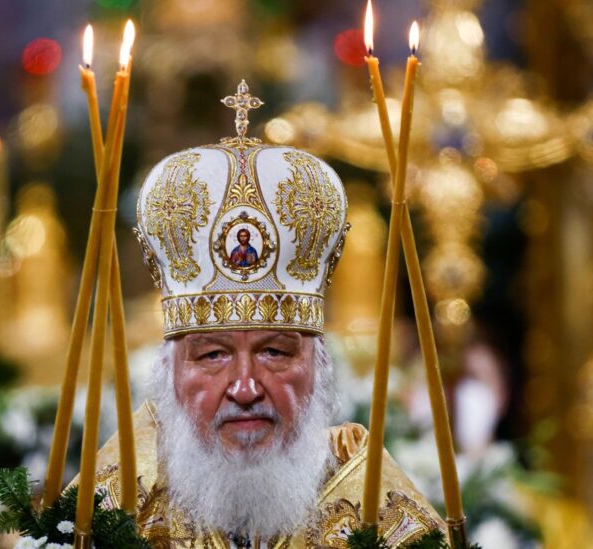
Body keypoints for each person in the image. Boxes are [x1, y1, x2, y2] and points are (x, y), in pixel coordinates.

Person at [79, 83, 443, 547]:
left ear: (319, 365)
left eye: (274, 351)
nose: (246, 388)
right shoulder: (110, 516)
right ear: (169, 371)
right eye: (212, 355)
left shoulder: (383, 518)